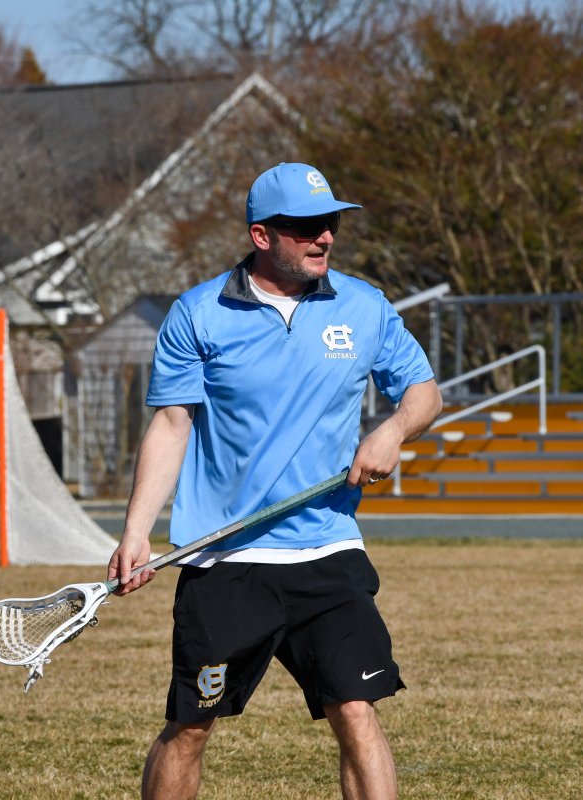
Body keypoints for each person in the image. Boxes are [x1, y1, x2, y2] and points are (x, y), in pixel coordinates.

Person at [108, 162, 443, 800]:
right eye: (307, 228)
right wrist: (135, 532)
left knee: (355, 709)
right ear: (263, 237)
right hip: (226, 558)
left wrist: (394, 430)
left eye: (331, 224)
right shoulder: (198, 314)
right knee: (191, 726)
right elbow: (172, 425)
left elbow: (424, 394)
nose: (325, 238)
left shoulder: (365, 306)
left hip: (328, 549)